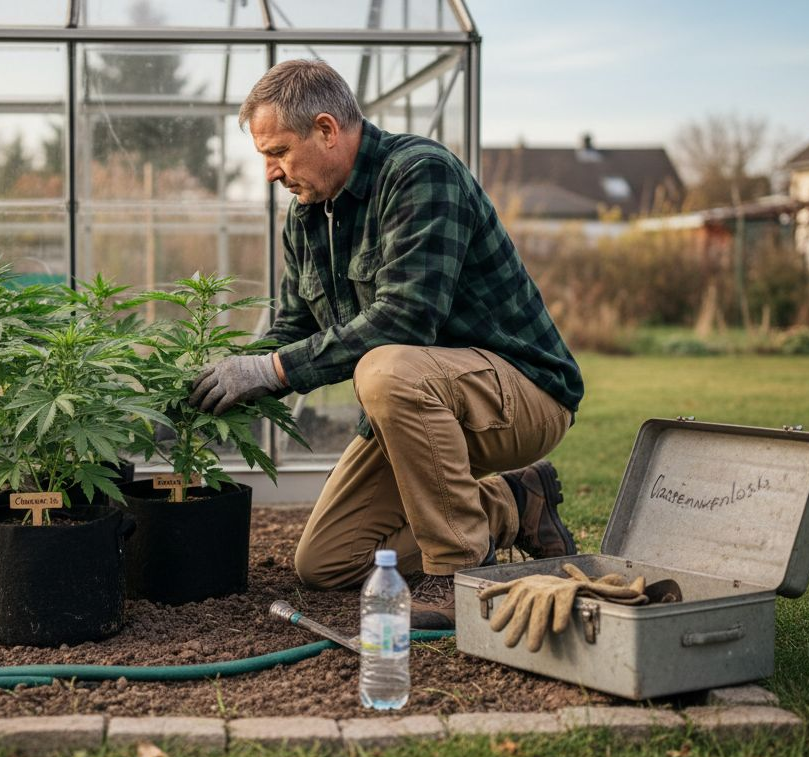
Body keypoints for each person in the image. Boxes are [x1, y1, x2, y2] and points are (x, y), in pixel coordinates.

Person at [189, 59, 584, 630]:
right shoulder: (305, 218)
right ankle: (513, 504)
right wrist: (220, 373)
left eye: (277, 152)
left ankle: (458, 571)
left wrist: (270, 372)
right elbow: (294, 328)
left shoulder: (420, 174)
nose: (271, 173)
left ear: (326, 129)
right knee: (326, 562)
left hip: (523, 395)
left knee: (386, 370)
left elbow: (405, 322)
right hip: (418, 406)